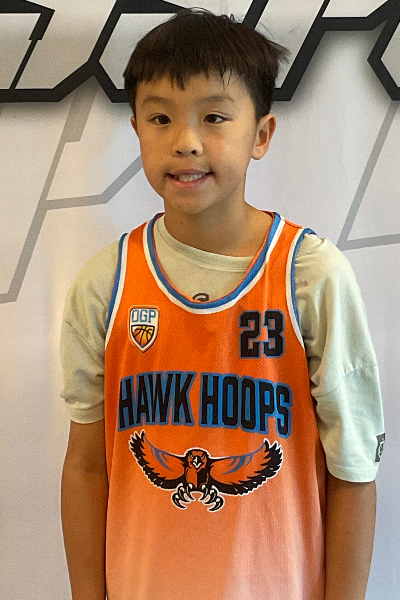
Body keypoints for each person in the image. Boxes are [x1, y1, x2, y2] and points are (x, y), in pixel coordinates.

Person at [60, 8, 385, 600]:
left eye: (214, 117)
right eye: (161, 118)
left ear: (260, 134)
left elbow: (354, 470)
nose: (185, 142)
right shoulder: (105, 282)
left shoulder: (312, 276)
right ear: (136, 129)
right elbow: (86, 464)